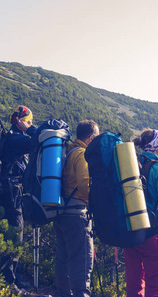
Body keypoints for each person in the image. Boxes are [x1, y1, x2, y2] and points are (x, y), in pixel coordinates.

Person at [124, 128, 158, 297]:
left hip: (130, 230)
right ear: (156, 145)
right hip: (152, 233)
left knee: (134, 283)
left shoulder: (130, 164)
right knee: (157, 284)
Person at [54, 119, 99, 297]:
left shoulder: (68, 151)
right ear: (90, 138)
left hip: (62, 213)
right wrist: (94, 204)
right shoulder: (82, 154)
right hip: (77, 215)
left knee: (63, 259)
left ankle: (63, 293)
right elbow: (84, 183)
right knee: (82, 260)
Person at [0, 105, 37, 289]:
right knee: (15, 237)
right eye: (29, 122)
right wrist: (29, 129)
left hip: (6, 193)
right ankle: (10, 282)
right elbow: (39, 141)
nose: (30, 125)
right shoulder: (17, 139)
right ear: (20, 122)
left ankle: (12, 278)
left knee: (9, 235)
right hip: (12, 195)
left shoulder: (8, 138)